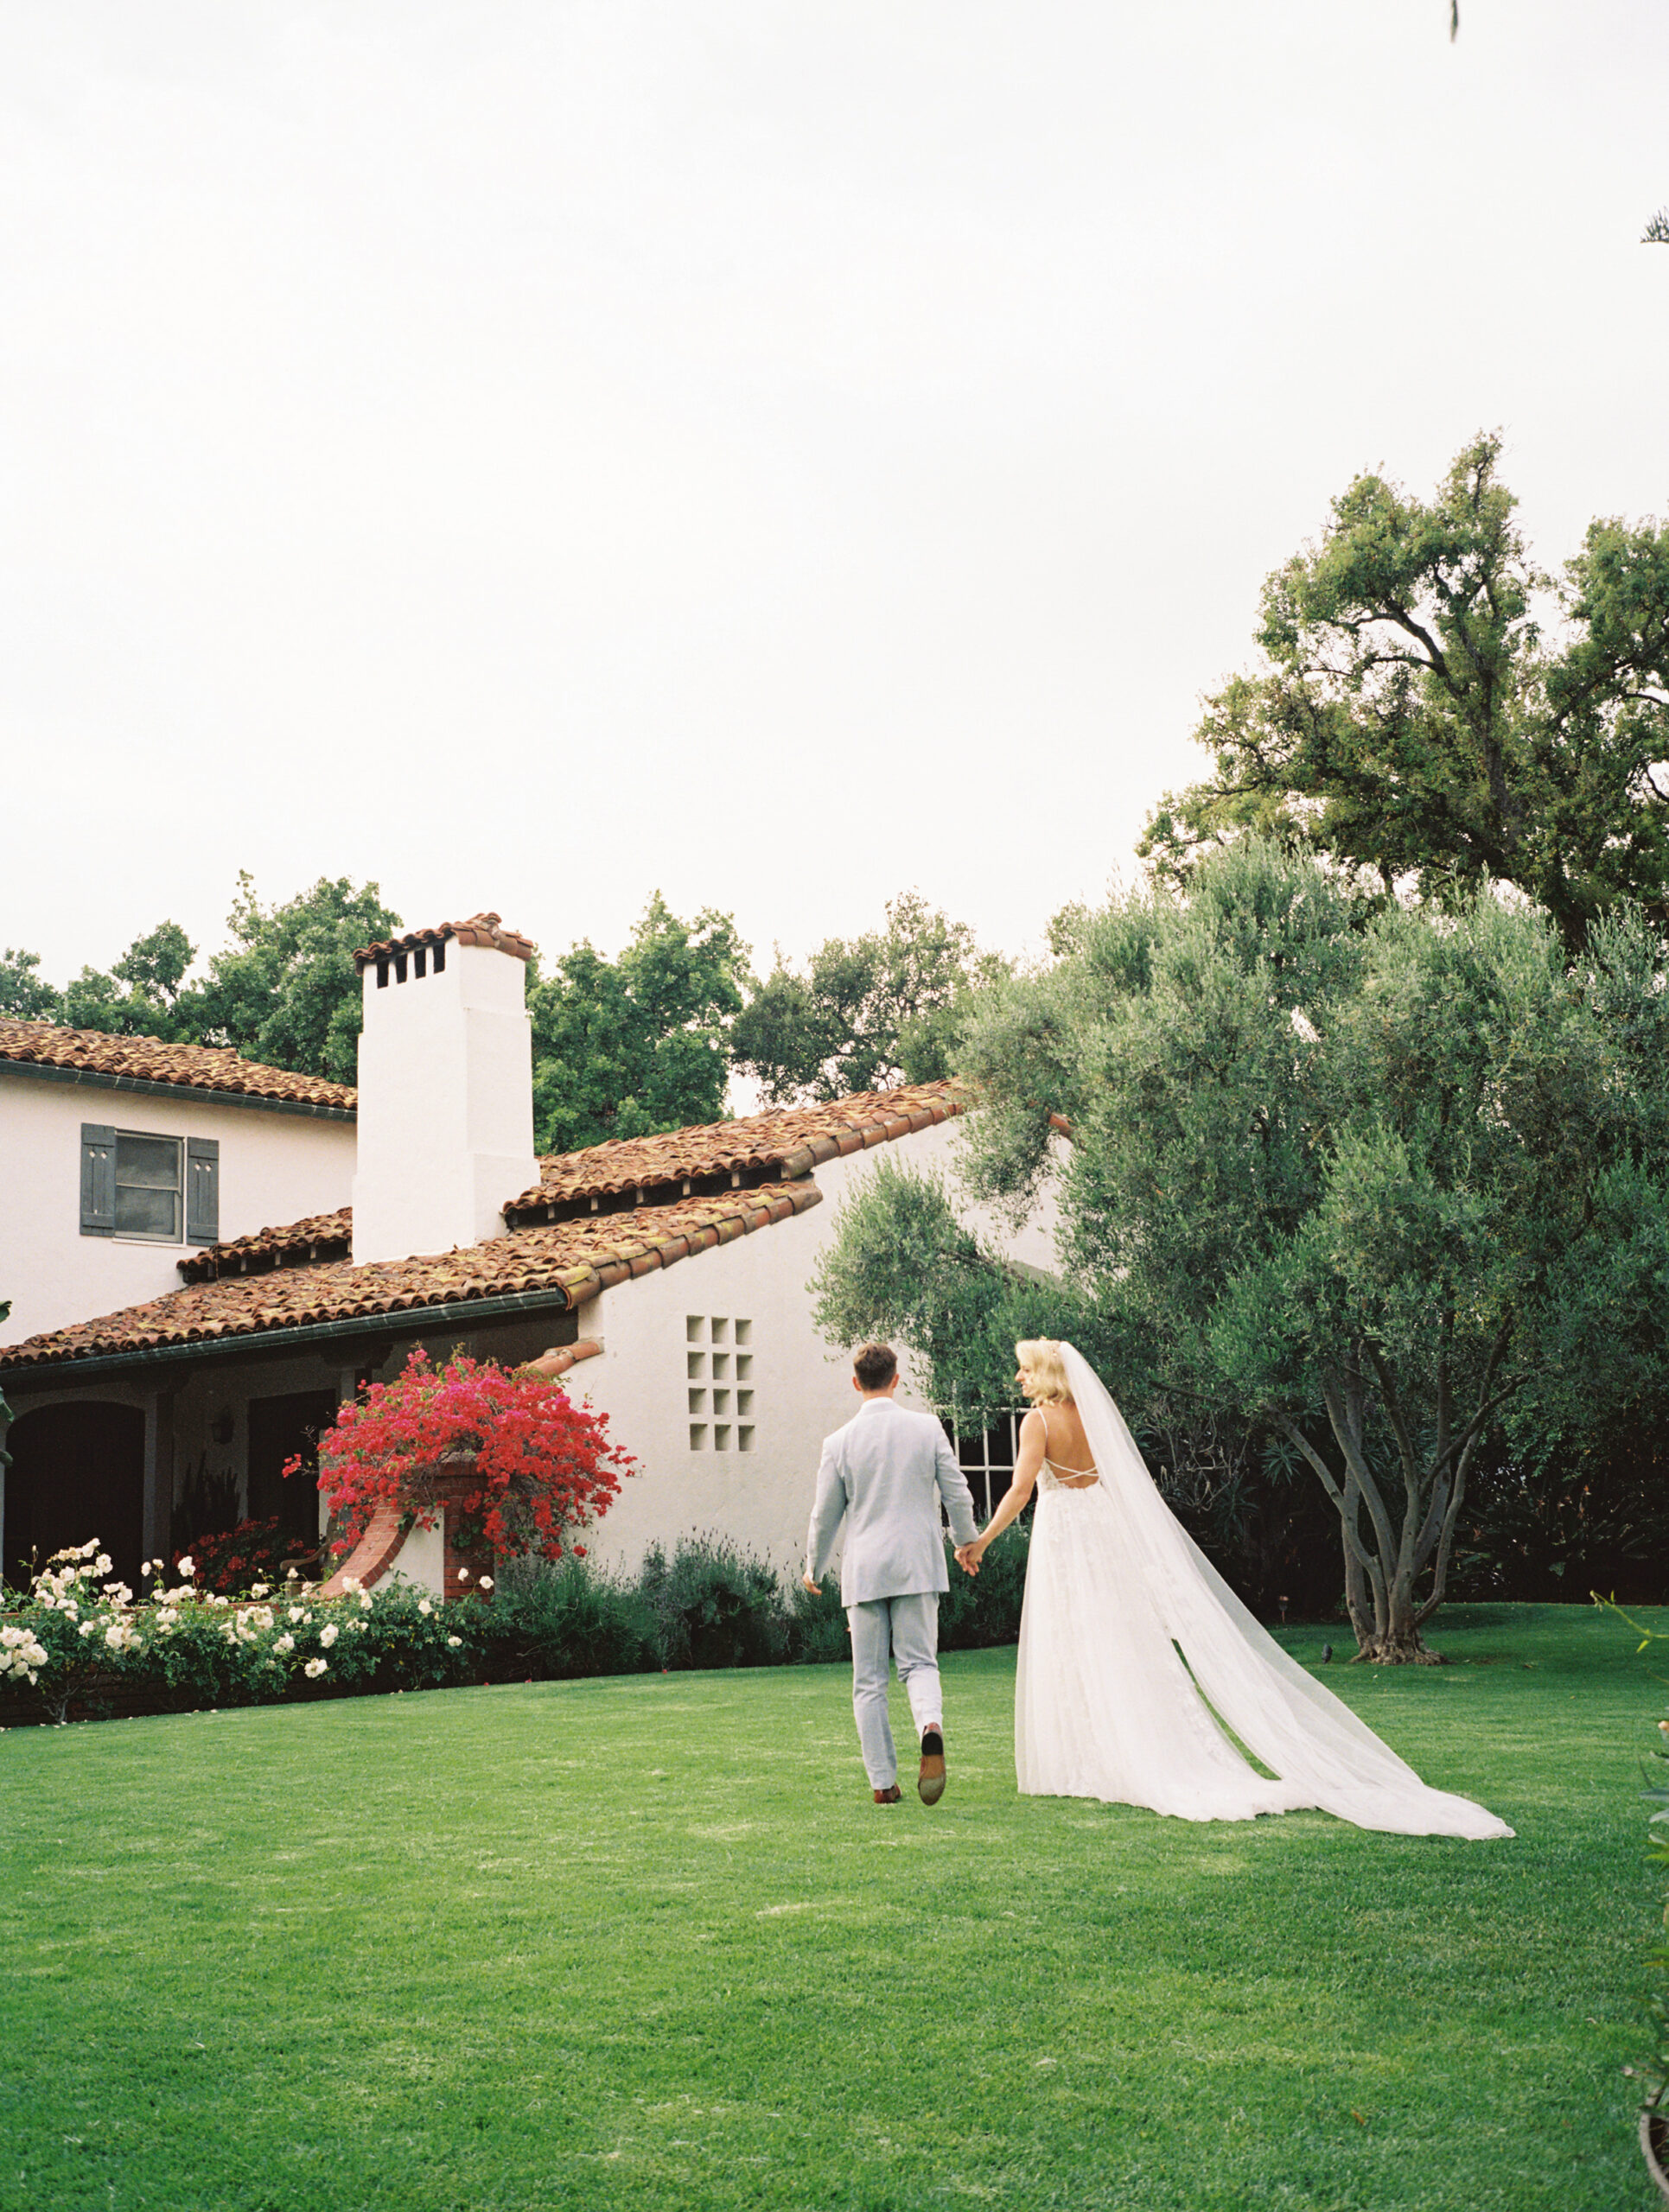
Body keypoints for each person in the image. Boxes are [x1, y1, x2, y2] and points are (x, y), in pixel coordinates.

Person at [956, 1339, 1513, 1840]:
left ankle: (1090, 1759)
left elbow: (1021, 1491)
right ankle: (1117, 1752)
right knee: (1120, 1641)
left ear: (1046, 1373)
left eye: (1024, 1371)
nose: (1020, 1380)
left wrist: (980, 1540)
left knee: (1076, 1641)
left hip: (1065, 1542)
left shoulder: (1039, 1423)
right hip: (1101, 1535)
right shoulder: (1093, 1418)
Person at [804, 1341, 980, 1807]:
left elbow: (825, 1516)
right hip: (918, 1566)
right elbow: (957, 1493)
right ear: (897, 1379)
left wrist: (813, 1567)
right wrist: (967, 1542)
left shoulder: (838, 1442)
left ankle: (884, 1784)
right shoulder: (927, 1428)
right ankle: (929, 1726)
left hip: (864, 1571)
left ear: (855, 1382)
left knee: (868, 1681)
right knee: (919, 1664)